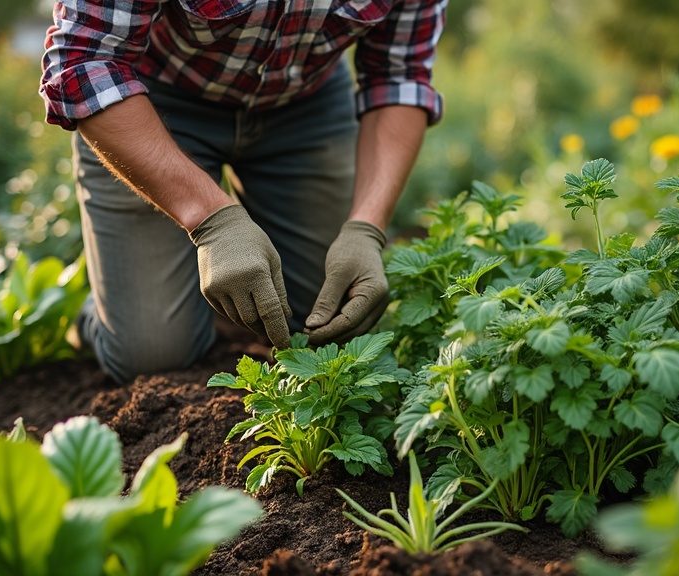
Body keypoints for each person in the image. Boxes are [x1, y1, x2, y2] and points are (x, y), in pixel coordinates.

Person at [39, 0, 446, 383]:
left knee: (331, 324)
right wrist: (213, 221)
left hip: (305, 103)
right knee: (152, 354)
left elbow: (400, 76)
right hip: (153, 102)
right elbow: (85, 59)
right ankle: (106, 308)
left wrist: (366, 228)